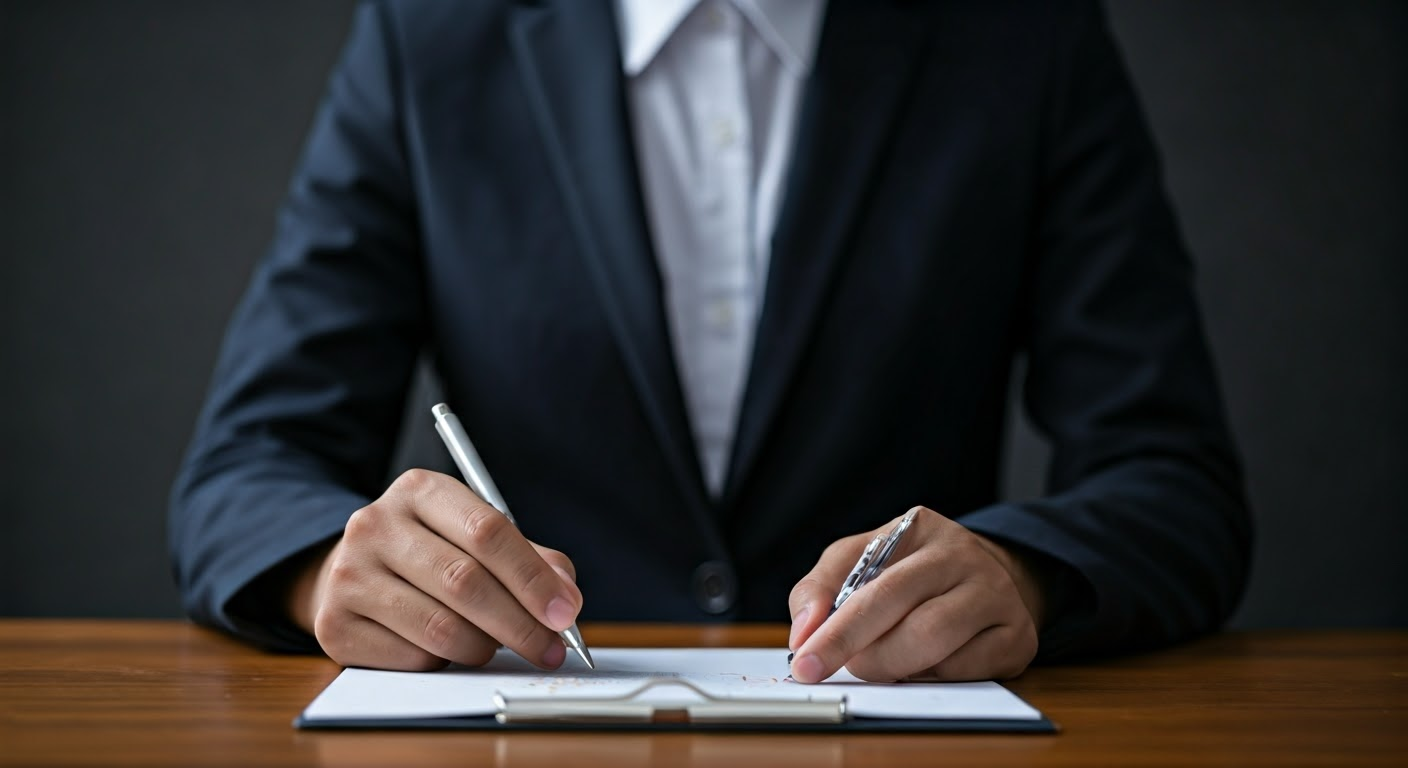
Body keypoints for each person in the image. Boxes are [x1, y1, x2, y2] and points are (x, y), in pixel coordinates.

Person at [170, 0, 1251, 684]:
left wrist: (1023, 575)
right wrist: (331, 573)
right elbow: (243, 471)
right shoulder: (428, 39)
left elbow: (1171, 481)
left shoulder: (1026, 39)